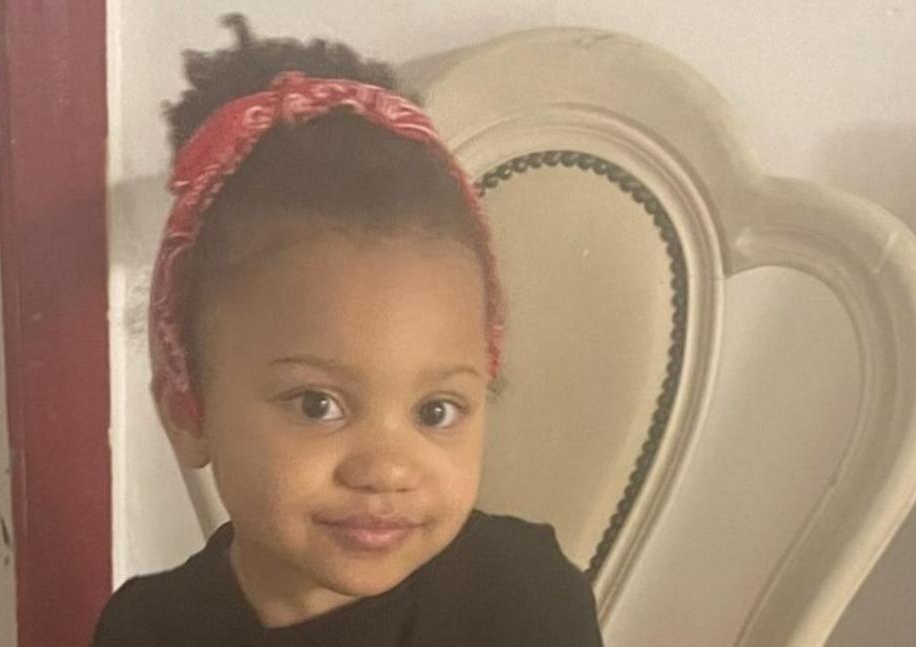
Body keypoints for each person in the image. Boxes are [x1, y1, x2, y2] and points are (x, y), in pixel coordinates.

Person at [93, 13, 604, 647]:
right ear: (189, 413)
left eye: (437, 410)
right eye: (319, 405)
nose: (387, 470)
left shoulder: (525, 599)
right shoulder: (148, 629)